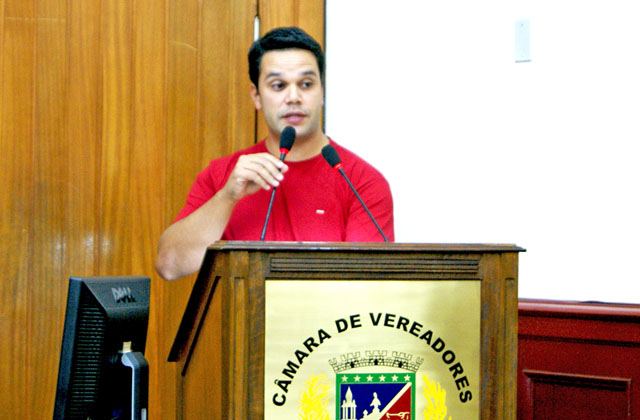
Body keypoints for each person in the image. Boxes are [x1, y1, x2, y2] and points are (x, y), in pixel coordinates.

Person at [155, 27, 394, 281]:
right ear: (256, 96)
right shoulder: (223, 176)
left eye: (306, 84)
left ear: (322, 91)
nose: (293, 97)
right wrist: (227, 197)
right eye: (278, 85)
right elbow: (170, 266)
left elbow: (369, 286)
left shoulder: (360, 180)